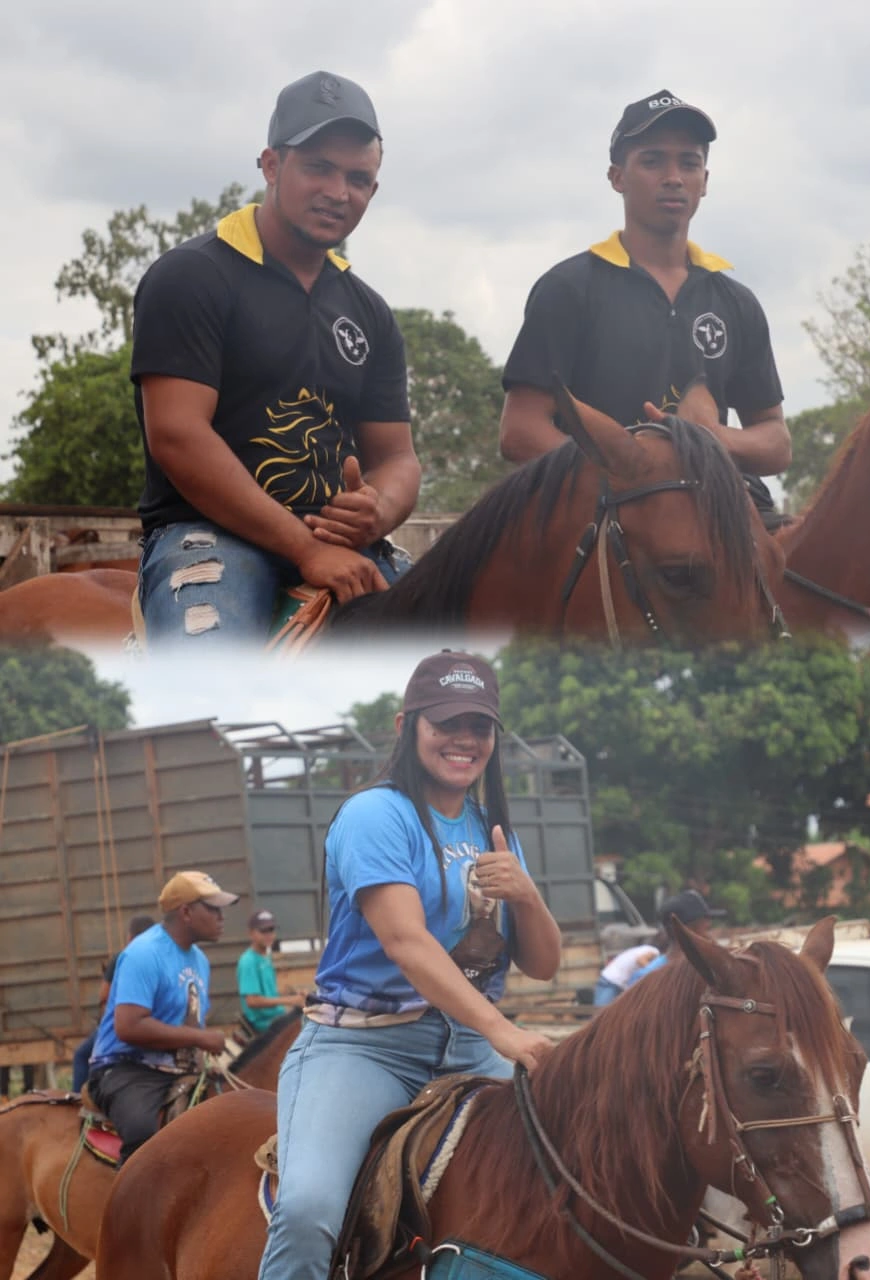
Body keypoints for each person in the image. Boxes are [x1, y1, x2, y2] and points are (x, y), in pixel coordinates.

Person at [258, 651, 562, 1280]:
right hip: (363, 1047)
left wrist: (527, 894)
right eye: (447, 723)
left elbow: (543, 964)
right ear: (407, 726)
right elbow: (407, 943)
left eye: (479, 727)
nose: (465, 740)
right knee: (310, 1208)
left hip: (469, 1044)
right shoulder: (376, 814)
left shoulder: (492, 828)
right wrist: (504, 1034)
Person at [131, 70, 422, 647]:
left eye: (358, 178)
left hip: (340, 545)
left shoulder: (370, 312)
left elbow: (398, 457)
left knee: (462, 656)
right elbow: (177, 435)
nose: (339, 192)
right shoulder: (193, 277)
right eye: (318, 167)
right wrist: (306, 548)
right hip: (211, 536)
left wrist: (378, 511)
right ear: (270, 165)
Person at [499, 90, 791, 523]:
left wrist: (710, 439)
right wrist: (625, 474)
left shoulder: (735, 302)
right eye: (652, 161)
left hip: (720, 512)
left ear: (704, 181)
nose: (673, 177)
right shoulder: (569, 288)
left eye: (688, 163)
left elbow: (776, 442)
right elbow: (519, 430)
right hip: (601, 514)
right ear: (617, 176)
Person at [86, 871, 238, 1163]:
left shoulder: (200, 960)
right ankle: (130, 1207)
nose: (221, 917)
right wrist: (201, 1038)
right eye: (213, 908)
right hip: (125, 1069)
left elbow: (190, 1021)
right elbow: (128, 1026)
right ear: (186, 912)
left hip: (178, 1071)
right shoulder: (143, 954)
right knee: (145, 1138)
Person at [72, 913, 155, 1092]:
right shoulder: (161, 957)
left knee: (81, 1055)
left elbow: (104, 996)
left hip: (124, 1030)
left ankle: (77, 1102)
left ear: (130, 936)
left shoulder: (122, 957)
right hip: (157, 1029)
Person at [625, 889, 725, 987]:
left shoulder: (702, 971)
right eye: (706, 928)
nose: (709, 935)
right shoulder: (644, 979)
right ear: (686, 931)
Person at [237, 908, 306, 1034]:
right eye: (263, 931)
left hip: (275, 1016)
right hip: (263, 1023)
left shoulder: (265, 957)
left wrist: (295, 996)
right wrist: (290, 1000)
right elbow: (252, 1001)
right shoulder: (248, 961)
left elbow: (269, 995)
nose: (268, 935)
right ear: (251, 933)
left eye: (271, 930)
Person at [593, 942, 661, 1006]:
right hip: (613, 981)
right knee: (602, 1011)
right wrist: (654, 972)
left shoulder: (643, 949)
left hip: (615, 981)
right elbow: (640, 960)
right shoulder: (654, 951)